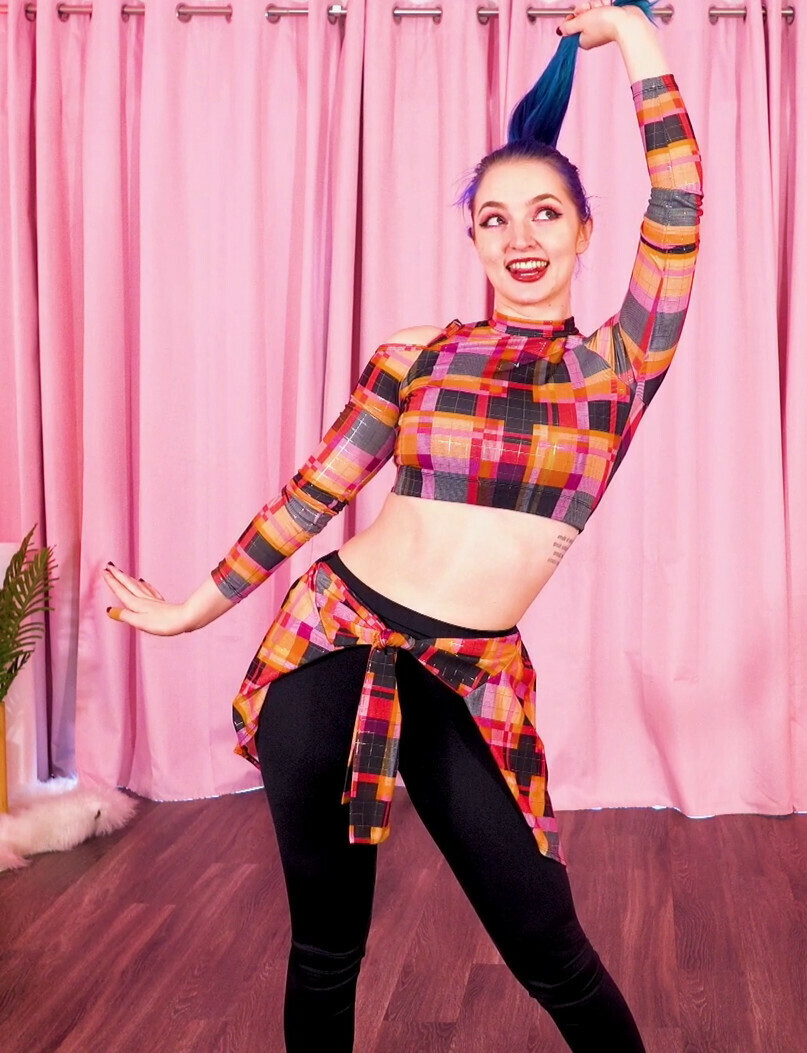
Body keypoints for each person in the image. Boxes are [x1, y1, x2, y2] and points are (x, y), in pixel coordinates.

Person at [103, 2, 703, 1049]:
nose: (521, 239)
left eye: (545, 214)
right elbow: (314, 492)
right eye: (495, 220)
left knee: (549, 945)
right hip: (333, 638)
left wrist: (634, 38)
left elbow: (680, 199)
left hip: (469, 672)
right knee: (327, 945)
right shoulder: (417, 355)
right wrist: (194, 608)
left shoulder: (617, 366)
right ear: (472, 238)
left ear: (586, 231)